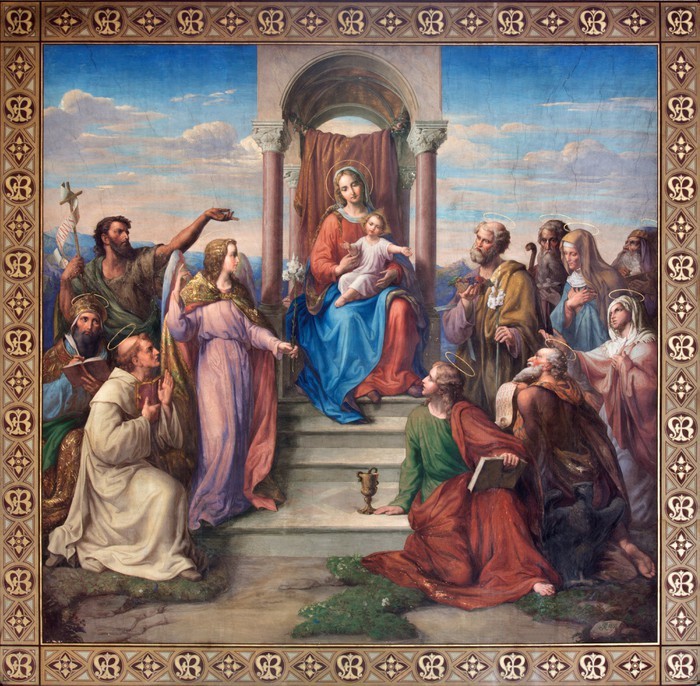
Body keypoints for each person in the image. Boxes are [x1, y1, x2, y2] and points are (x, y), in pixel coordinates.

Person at [362, 361, 559, 610]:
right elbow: (413, 463)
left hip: (470, 490)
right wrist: (402, 502)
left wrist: (504, 454)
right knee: (459, 574)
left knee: (503, 499)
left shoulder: (466, 413)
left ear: (443, 388)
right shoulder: (417, 418)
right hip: (437, 497)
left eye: (430, 378)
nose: (423, 380)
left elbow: (493, 441)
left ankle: (526, 576)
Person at [46, 334, 201, 582]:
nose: (157, 352)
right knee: (168, 491)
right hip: (108, 478)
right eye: (149, 349)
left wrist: (166, 405)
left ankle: (172, 556)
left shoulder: (144, 387)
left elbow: (169, 442)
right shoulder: (112, 391)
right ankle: (168, 560)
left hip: (131, 468)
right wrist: (144, 421)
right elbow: (105, 446)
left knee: (173, 490)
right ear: (135, 360)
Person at [167, 239, 299, 529]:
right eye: (231, 255)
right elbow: (180, 330)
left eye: (236, 254)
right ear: (218, 258)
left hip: (239, 369)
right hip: (211, 369)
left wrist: (276, 344)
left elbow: (252, 331)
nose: (236, 259)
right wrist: (176, 294)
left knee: (238, 432)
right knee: (218, 435)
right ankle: (210, 501)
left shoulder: (238, 294)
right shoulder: (198, 292)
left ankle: (230, 498)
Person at [288, 166, 427, 421]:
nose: (351, 192)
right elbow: (318, 263)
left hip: (376, 287)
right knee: (347, 318)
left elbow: (393, 256)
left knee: (402, 308)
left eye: (354, 184)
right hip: (343, 287)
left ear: (362, 183)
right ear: (339, 193)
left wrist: (393, 273)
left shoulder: (375, 220)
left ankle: (394, 376)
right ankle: (358, 384)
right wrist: (339, 268)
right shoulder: (335, 221)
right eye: (344, 188)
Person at [513, 346, 655, 578]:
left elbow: (530, 444)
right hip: (588, 471)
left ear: (547, 366)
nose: (530, 359)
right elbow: (592, 431)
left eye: (537, 357)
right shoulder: (573, 392)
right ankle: (626, 544)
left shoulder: (529, 396)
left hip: (558, 476)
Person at [549, 294, 657, 529]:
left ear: (632, 311)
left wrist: (626, 368)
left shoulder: (646, 345)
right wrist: (565, 349)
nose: (612, 316)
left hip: (637, 424)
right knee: (613, 464)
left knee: (633, 470)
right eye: (610, 312)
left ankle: (642, 523)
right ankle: (621, 522)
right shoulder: (612, 347)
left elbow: (653, 389)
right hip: (613, 418)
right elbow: (585, 361)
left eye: (618, 310)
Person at [57, 208, 237, 346]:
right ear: (105, 238)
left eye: (127, 232)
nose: (126, 236)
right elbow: (70, 315)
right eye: (119, 232)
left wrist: (205, 217)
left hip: (149, 343)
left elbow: (174, 247)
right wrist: (65, 281)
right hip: (110, 349)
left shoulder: (140, 261)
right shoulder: (90, 274)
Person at [441, 220, 539, 417]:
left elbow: (530, 327)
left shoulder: (518, 278)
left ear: (497, 247)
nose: (478, 244)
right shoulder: (468, 279)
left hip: (502, 365)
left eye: (485, 241)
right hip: (471, 366)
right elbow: (453, 333)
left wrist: (514, 335)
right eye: (478, 238)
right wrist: (466, 303)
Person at [42, 293, 110, 532]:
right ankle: (61, 509)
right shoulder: (54, 356)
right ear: (74, 324)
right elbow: (39, 405)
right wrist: (67, 381)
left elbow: (113, 398)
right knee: (75, 441)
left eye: (95, 321)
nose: (89, 327)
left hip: (91, 421)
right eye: (84, 320)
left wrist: (99, 391)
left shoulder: (104, 359)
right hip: (55, 425)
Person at [550, 229, 625, 352]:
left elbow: (620, 313)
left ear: (585, 254)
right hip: (575, 343)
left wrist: (581, 307)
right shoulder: (572, 281)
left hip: (603, 344)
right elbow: (556, 323)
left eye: (573, 254)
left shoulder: (609, 278)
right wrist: (569, 305)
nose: (568, 258)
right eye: (565, 253)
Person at [336, 210, 413, 307]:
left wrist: (401, 249)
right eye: (371, 224)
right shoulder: (362, 241)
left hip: (374, 277)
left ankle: (345, 298)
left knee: (363, 279)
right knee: (344, 278)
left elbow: (390, 247)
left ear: (381, 231)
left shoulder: (382, 243)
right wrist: (350, 247)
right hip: (359, 273)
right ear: (365, 224)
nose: (373, 228)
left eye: (377, 227)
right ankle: (353, 297)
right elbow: (355, 250)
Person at [528, 219, 569, 332]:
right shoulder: (533, 272)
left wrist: (559, 302)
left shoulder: (573, 274)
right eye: (544, 241)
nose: (547, 246)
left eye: (553, 240)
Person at [612, 228, 657, 319]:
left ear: (644, 247)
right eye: (626, 242)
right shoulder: (622, 260)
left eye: (632, 243)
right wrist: (617, 273)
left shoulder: (656, 269)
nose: (626, 247)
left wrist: (649, 289)